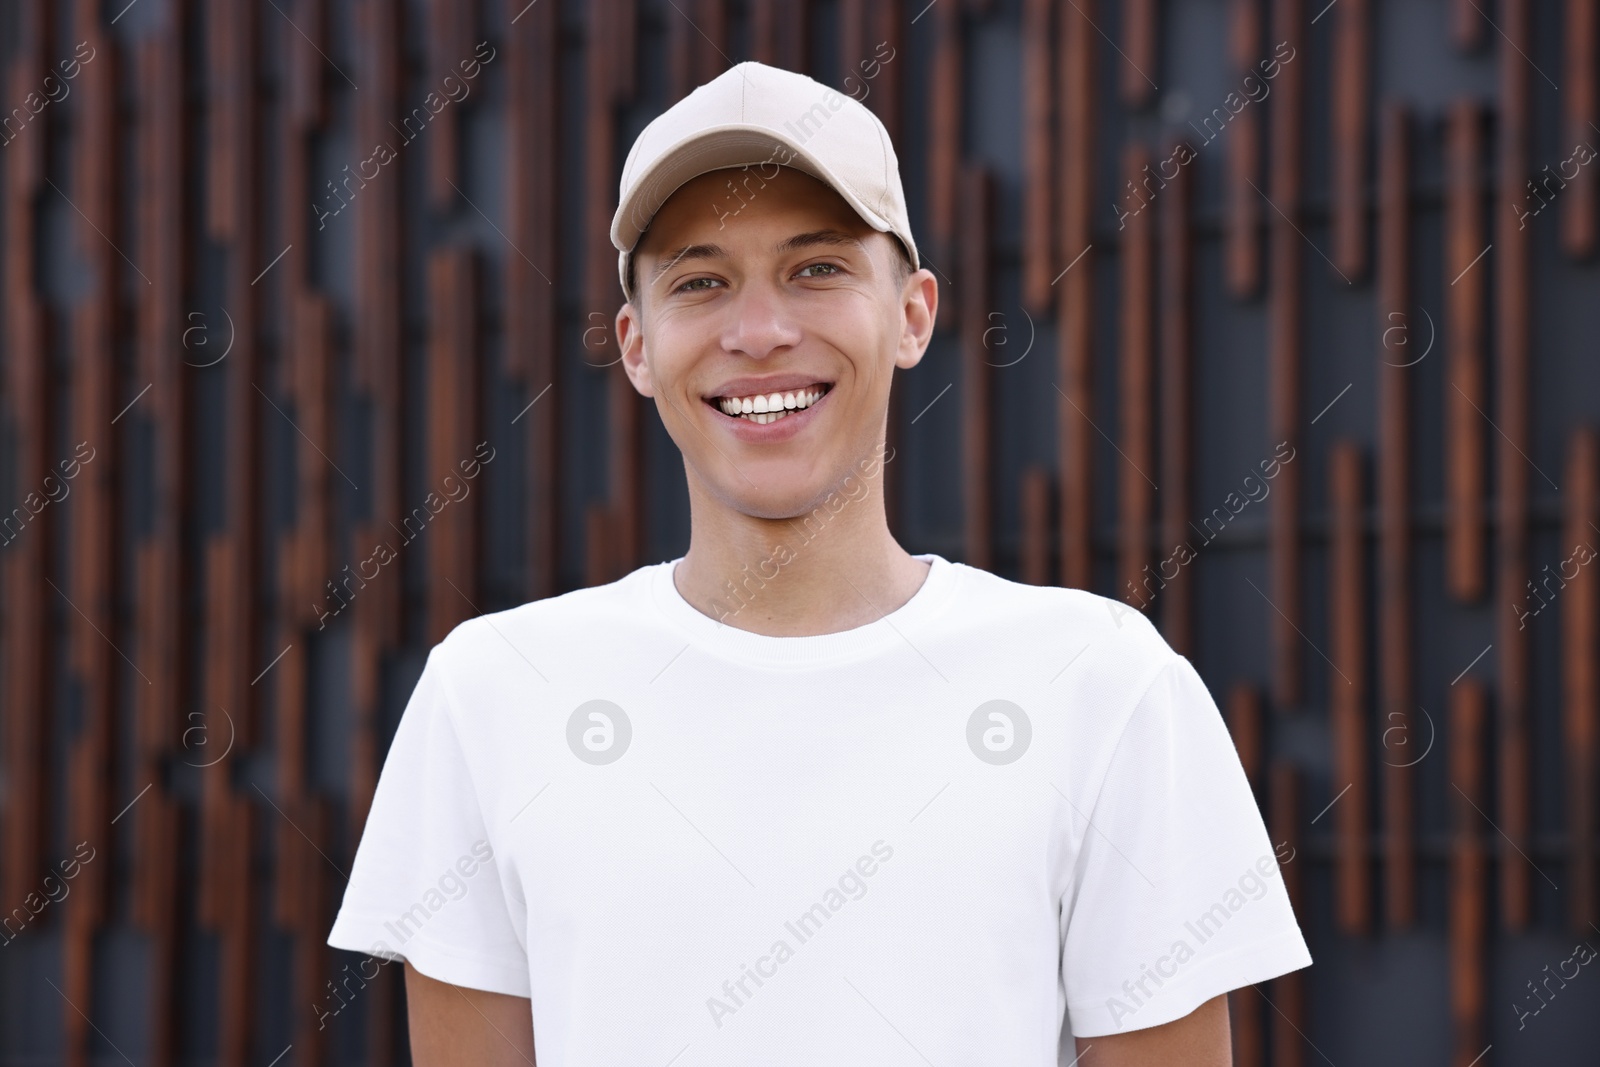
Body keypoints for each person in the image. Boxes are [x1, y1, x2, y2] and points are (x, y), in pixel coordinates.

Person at [327, 59, 1311, 1066]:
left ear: (913, 313)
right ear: (634, 343)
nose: (759, 332)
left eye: (817, 267)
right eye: (699, 280)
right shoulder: (493, 691)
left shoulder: (1101, 681)